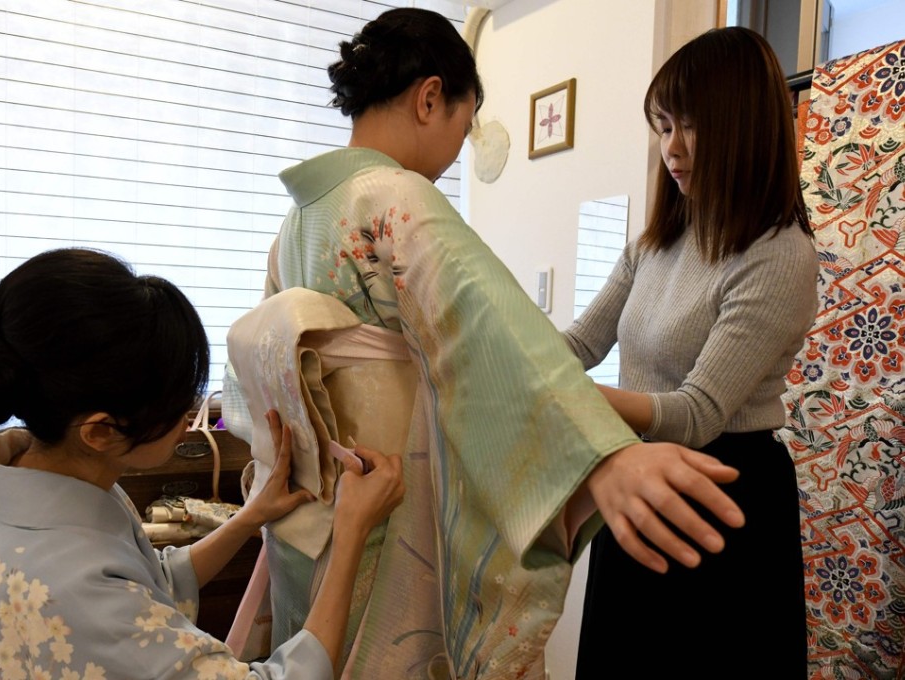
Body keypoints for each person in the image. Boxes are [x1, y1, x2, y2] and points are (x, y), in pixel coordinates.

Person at [223, 8, 747, 679]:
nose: (454, 154)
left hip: (323, 521)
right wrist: (602, 457)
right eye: (462, 129)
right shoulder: (393, 197)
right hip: (393, 507)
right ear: (430, 97)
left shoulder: (297, 221)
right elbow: (487, 330)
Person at [0, 248, 405, 679]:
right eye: (178, 408)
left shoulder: (17, 486)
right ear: (99, 431)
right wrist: (350, 535)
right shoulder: (79, 595)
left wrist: (251, 516)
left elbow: (151, 581)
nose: (189, 420)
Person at [566, 27, 816, 679]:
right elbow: (578, 346)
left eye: (691, 126)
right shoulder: (654, 245)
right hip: (637, 478)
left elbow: (698, 413)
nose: (670, 149)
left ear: (743, 128)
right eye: (663, 124)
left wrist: (574, 401)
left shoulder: (778, 255)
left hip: (724, 494)